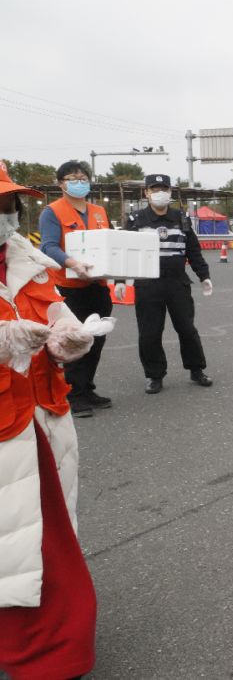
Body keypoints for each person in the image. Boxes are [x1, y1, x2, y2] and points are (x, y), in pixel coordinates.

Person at [0, 163, 98, 680]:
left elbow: (58, 315)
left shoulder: (29, 261)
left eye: (7, 204)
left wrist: (69, 339)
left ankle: (56, 648)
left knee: (44, 540)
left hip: (39, 419)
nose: (3, 215)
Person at [124, 174, 213, 394]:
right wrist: (119, 279)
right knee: (150, 333)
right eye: (154, 189)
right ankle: (154, 375)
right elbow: (125, 252)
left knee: (187, 329)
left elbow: (193, 250)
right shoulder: (136, 220)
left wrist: (204, 275)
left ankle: (196, 369)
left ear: (170, 192)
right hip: (147, 284)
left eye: (163, 188)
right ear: (146, 193)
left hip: (177, 282)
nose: (159, 193)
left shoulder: (181, 218)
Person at [38, 160, 113, 418]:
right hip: (69, 287)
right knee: (74, 341)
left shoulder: (99, 211)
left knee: (97, 339)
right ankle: (73, 394)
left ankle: (87, 388)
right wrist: (73, 263)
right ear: (60, 183)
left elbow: (110, 244)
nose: (78, 182)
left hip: (99, 286)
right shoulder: (52, 211)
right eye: (72, 178)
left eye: (82, 177)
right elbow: (48, 246)